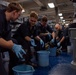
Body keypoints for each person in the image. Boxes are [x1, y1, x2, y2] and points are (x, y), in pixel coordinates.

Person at [0, 2, 26, 75]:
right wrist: (12, 46)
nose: (18, 17)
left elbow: (9, 40)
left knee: (14, 41)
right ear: (14, 12)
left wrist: (16, 47)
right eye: (19, 15)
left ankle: (13, 70)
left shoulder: (8, 23)